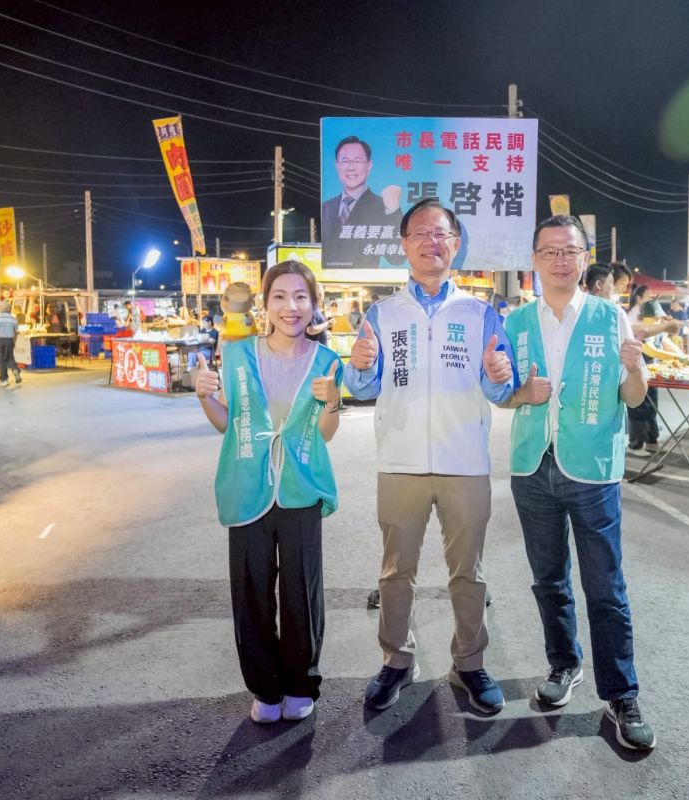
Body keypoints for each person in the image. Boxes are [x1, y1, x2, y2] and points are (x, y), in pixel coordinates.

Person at [345, 199, 516, 715]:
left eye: (440, 233)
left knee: (469, 573)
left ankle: (469, 662)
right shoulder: (382, 314)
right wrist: (358, 367)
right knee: (395, 573)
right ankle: (397, 660)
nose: (431, 242)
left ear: (456, 244)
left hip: (466, 462)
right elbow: (362, 387)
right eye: (419, 233)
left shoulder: (482, 313)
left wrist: (499, 376)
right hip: (399, 463)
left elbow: (500, 391)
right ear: (404, 244)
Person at [500, 215, 656, 751]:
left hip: (592, 469)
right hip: (532, 466)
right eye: (550, 251)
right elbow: (502, 395)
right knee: (548, 580)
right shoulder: (517, 322)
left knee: (605, 587)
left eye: (570, 251)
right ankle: (564, 664)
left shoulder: (611, 317)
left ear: (585, 258)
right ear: (535, 260)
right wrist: (522, 394)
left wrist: (635, 369)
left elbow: (633, 397)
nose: (560, 260)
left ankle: (622, 694)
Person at [194, 259, 344, 724]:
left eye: (301, 296)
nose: (290, 306)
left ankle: (300, 683)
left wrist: (333, 402)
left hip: (301, 489)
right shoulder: (238, 355)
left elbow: (325, 433)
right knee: (251, 592)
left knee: (302, 592)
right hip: (248, 488)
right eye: (279, 296)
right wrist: (204, 396)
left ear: (314, 304)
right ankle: (265, 688)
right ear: (265, 304)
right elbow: (229, 424)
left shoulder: (327, 362)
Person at [321, 136, 406, 269]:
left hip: (367, 280)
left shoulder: (384, 206)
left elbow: (397, 258)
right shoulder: (326, 207)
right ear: (336, 165)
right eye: (345, 161)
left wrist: (393, 208)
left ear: (369, 165)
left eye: (357, 161)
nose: (351, 167)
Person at [626, 286, 678, 454]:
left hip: (653, 375)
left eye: (659, 318)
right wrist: (674, 358)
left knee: (652, 408)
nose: (657, 321)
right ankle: (635, 444)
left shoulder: (658, 331)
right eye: (655, 318)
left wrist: (681, 355)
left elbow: (667, 344)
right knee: (638, 408)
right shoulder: (640, 330)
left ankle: (651, 441)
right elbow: (650, 350)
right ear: (645, 318)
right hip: (637, 374)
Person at [0, 303, 22, 387]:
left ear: (1, 309)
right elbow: (16, 333)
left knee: (0, 359)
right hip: (10, 340)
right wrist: (14, 342)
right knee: (10, 357)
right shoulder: (14, 319)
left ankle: (4, 380)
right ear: (9, 309)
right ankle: (15, 370)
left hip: (0, 341)